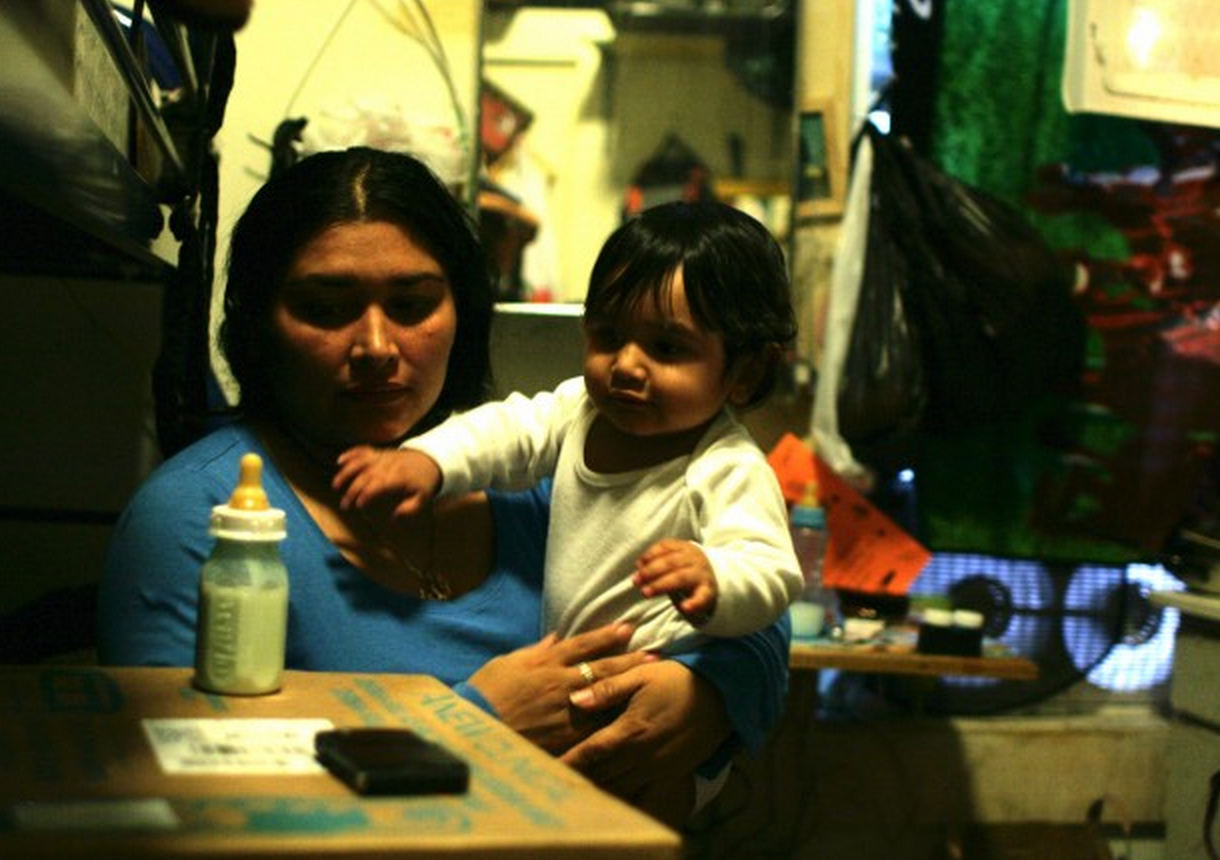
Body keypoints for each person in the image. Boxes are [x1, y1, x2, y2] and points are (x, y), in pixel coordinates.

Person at [96, 147, 791, 828]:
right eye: (326, 308)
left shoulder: (534, 483)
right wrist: (472, 723)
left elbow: (755, 597)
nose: (376, 346)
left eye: (412, 305)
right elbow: (176, 801)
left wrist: (702, 696)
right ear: (256, 324)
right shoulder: (195, 516)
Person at [333, 200, 803, 658]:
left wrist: (716, 577)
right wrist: (427, 461)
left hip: (658, 669)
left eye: (666, 347)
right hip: (573, 666)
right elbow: (507, 431)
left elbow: (771, 570)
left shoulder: (727, 467)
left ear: (745, 373)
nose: (625, 365)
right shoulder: (580, 409)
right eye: (608, 336)